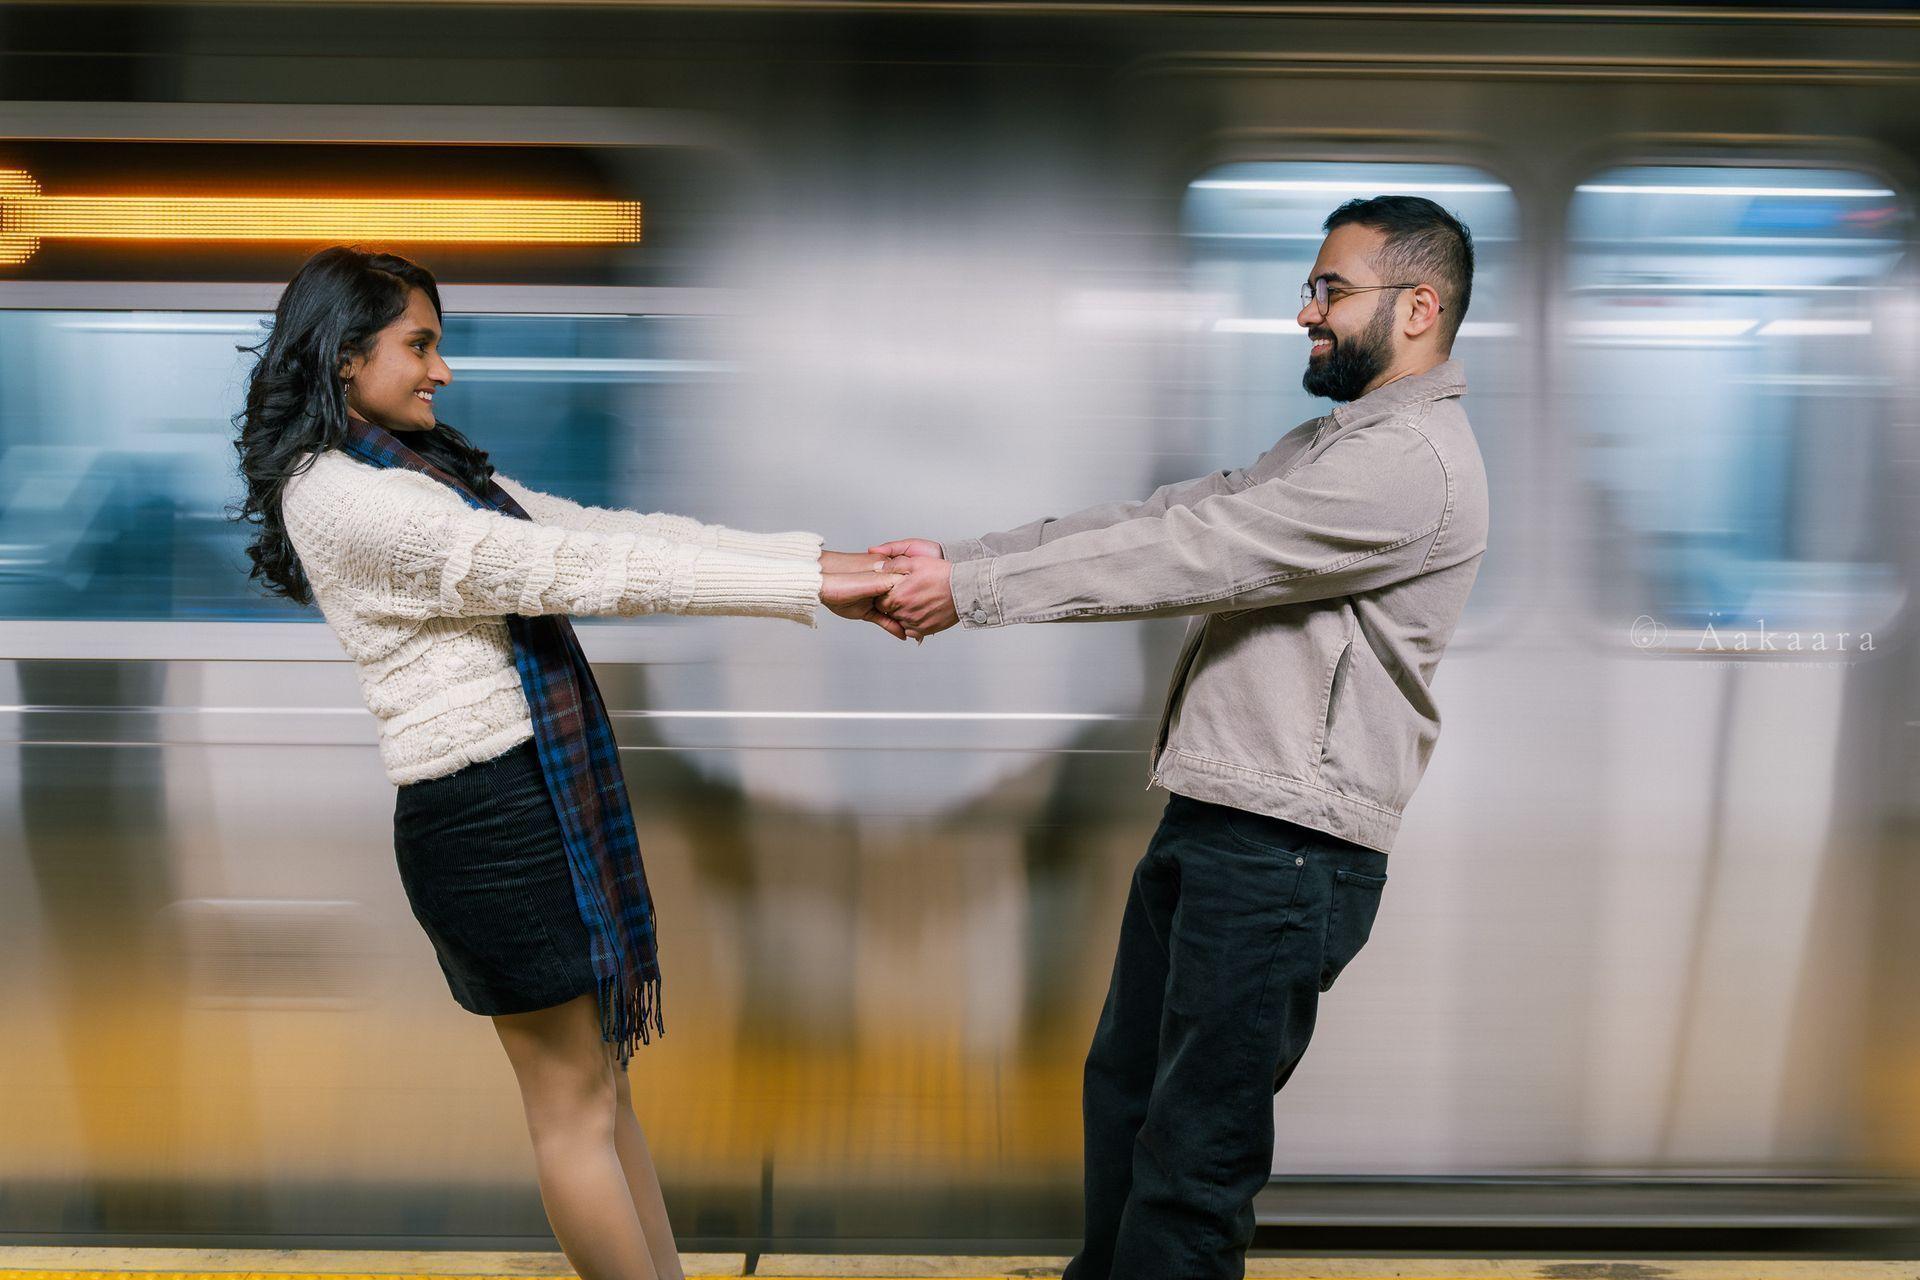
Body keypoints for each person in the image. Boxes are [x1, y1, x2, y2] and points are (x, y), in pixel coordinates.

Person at [231, 246, 897, 1280]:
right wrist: (814, 583)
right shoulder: (343, 495)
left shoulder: (422, 469)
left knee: (599, 1094)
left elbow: (607, 528)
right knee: (574, 1108)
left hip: (526, 797)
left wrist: (826, 563)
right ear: (345, 355)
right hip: (486, 818)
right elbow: (575, 567)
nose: (440, 369)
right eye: (421, 344)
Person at [872, 196, 1490, 1278]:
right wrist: (958, 555)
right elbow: (1162, 515)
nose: (1308, 312)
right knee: (1128, 1102)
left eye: (1331, 290)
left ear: (1419, 306)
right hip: (1221, 821)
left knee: (1190, 1162)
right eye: (1314, 288)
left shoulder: (1411, 464)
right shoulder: (1333, 442)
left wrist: (968, 591)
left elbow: (1201, 551)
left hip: (1284, 848)